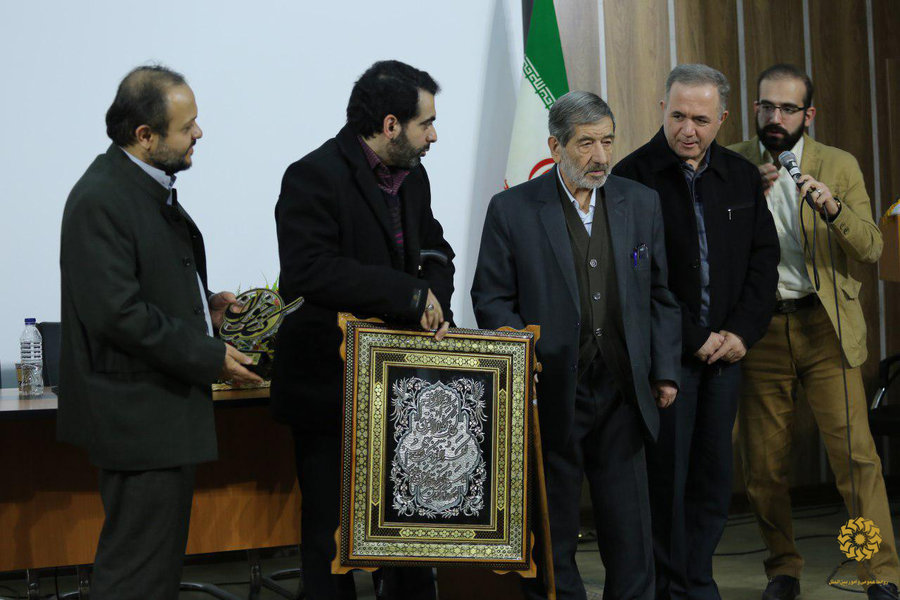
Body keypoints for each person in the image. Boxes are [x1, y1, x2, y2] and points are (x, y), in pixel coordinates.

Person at [58, 65, 260, 600]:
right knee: (136, 576)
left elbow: (147, 284)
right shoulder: (102, 197)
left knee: (153, 572)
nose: (199, 133)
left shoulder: (140, 188)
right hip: (137, 420)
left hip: (158, 415)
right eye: (186, 126)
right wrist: (208, 354)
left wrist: (206, 308)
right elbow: (117, 313)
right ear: (145, 135)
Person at [472, 90, 681, 600]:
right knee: (553, 532)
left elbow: (660, 295)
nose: (601, 156)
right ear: (555, 146)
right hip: (550, 394)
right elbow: (491, 299)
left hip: (623, 393)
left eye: (607, 141)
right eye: (586, 143)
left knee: (631, 535)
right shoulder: (512, 209)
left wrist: (664, 370)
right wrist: (524, 362)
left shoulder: (641, 203)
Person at [271, 60, 455, 600]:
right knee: (330, 540)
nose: (434, 135)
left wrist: (434, 294)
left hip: (401, 392)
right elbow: (308, 271)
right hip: (330, 391)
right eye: (426, 123)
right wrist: (408, 295)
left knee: (410, 536)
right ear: (391, 125)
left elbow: (434, 248)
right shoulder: (311, 175)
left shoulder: (414, 177)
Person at [729, 63, 898, 600]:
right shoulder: (732, 163)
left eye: (787, 108)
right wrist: (740, 203)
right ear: (755, 108)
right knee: (763, 467)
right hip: (759, 331)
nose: (775, 118)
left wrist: (833, 207)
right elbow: (707, 247)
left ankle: (879, 573)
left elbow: (871, 247)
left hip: (826, 328)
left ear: (809, 115)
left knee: (856, 460)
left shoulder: (837, 164)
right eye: (766, 107)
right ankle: (783, 570)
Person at [612, 64, 779, 600]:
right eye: (678, 115)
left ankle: (697, 579)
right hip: (667, 358)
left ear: (722, 119)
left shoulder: (741, 174)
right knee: (667, 479)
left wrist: (741, 333)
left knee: (712, 477)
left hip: (727, 354)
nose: (688, 129)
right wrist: (693, 337)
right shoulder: (631, 177)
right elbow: (634, 279)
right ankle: (670, 587)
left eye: (701, 120)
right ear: (662, 109)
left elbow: (763, 261)